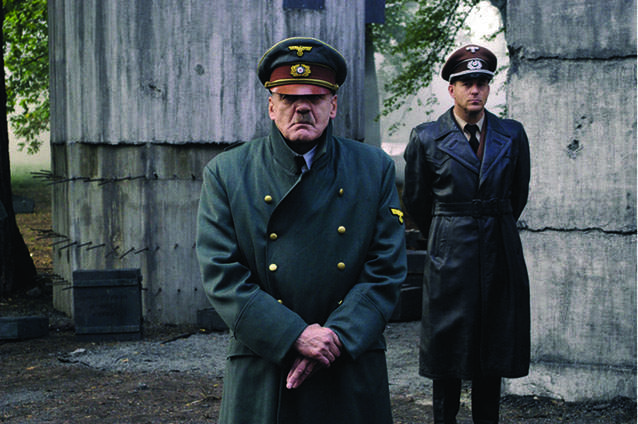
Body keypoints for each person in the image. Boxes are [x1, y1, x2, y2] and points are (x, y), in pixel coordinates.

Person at [196, 37, 407, 424]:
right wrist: (293, 335)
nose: (303, 107)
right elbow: (221, 274)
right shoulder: (227, 173)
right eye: (290, 98)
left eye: (315, 97)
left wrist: (334, 337)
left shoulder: (373, 168)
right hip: (266, 362)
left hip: (348, 357)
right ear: (271, 106)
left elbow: (386, 268)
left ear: (334, 105)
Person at [402, 44, 531, 424]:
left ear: (489, 89)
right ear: (451, 89)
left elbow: (517, 194)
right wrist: (448, 232)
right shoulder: (426, 137)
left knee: (491, 349)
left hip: (499, 250)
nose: (474, 90)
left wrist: (491, 222)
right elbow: (417, 201)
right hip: (450, 256)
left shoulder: (512, 134)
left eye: (482, 83)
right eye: (466, 83)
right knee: (447, 350)